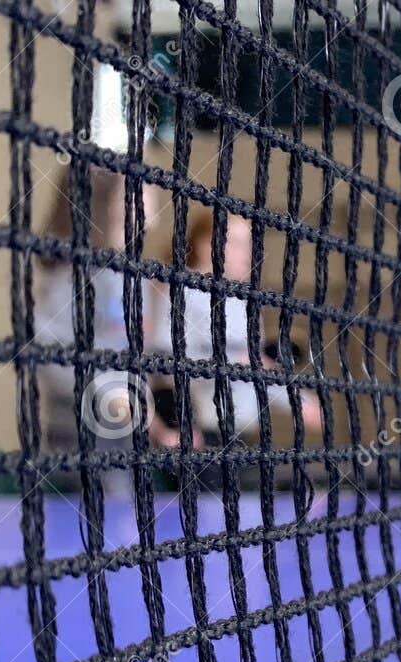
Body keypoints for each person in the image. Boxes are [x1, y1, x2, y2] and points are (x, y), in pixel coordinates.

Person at [34, 170, 184, 486]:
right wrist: (104, 389)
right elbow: (46, 349)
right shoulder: (74, 278)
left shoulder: (136, 279)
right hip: (78, 432)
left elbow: (138, 361)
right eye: (137, 193)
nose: (151, 203)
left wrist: (158, 422)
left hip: (124, 435)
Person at [152, 210, 321, 448]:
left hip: (245, 433)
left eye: (249, 243)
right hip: (201, 431)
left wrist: (297, 400)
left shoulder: (245, 301)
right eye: (237, 243)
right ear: (205, 245)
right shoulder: (181, 291)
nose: (247, 252)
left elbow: (257, 366)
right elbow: (164, 357)